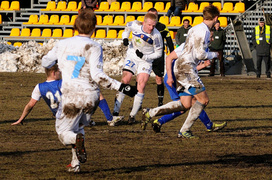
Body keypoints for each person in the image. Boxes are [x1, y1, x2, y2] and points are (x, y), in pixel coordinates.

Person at [41, 9, 137, 173]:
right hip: (91, 97)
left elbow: (45, 61)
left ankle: (76, 140)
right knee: (78, 126)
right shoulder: (94, 46)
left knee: (64, 133)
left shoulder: (62, 44)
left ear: (75, 26)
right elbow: (97, 76)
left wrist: (60, 61)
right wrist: (122, 87)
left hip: (72, 94)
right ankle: (75, 164)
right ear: (94, 28)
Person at [142, 4, 220, 138]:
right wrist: (214, 55)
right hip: (186, 67)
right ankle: (184, 130)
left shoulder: (195, 28)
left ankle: (152, 112)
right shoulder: (205, 31)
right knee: (204, 100)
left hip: (180, 66)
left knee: (185, 103)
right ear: (216, 17)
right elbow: (201, 54)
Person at [148, 43, 226, 133]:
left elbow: (191, 68)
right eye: (210, 36)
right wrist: (169, 77)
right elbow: (171, 59)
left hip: (181, 78)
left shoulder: (199, 48)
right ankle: (208, 125)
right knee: (192, 103)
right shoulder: (187, 46)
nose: (211, 39)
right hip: (175, 79)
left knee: (187, 105)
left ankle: (158, 120)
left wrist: (203, 65)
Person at [112, 13, 164, 124]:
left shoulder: (157, 35)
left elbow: (159, 53)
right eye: (149, 25)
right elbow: (127, 27)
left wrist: (145, 56)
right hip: (132, 56)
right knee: (125, 80)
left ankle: (132, 116)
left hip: (146, 60)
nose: (151, 28)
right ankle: (115, 112)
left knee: (142, 84)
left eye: (153, 26)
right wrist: (125, 37)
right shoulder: (135, 24)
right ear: (144, 22)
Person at [148, 8, 175, 106]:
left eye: (155, 15)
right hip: (145, 56)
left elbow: (169, 41)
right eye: (151, 15)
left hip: (158, 56)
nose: (153, 17)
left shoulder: (162, 27)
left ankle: (160, 102)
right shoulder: (143, 26)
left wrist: (173, 53)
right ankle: (137, 103)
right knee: (141, 78)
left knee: (159, 79)